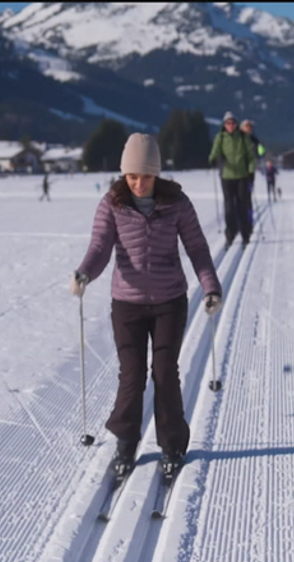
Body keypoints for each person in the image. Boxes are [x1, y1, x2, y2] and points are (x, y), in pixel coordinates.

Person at [72, 133, 223, 480]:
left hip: (170, 301)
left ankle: (172, 444)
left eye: (146, 176)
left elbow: (197, 248)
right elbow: (99, 247)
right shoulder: (112, 203)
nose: (139, 184)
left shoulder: (177, 203)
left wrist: (211, 287)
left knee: (165, 371)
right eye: (132, 176)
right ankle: (126, 441)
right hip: (127, 304)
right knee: (132, 374)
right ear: (124, 174)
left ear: (157, 174)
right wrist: (85, 273)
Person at [209, 111, 257, 247]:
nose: (231, 125)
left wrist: (251, 171)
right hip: (227, 176)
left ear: (236, 124)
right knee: (229, 207)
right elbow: (215, 151)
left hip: (242, 176)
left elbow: (251, 156)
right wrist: (212, 159)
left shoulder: (243, 137)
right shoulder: (221, 137)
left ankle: (245, 234)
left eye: (233, 123)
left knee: (243, 205)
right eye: (228, 123)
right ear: (225, 124)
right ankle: (230, 234)